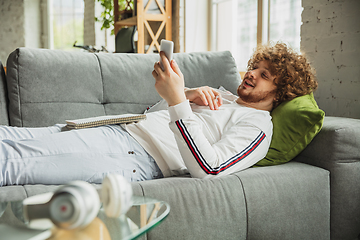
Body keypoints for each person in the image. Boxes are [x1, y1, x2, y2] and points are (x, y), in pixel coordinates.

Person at [0, 42, 317, 186]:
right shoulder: (221, 96)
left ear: (283, 90)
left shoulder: (258, 127)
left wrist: (179, 100)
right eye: (254, 67)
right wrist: (186, 96)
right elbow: (153, 116)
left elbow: (211, 168)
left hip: (133, 156)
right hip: (118, 130)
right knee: (10, 137)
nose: (251, 74)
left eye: (264, 75)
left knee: (13, 163)